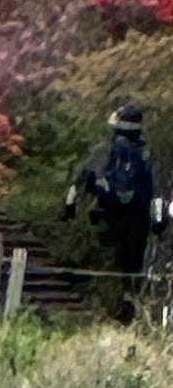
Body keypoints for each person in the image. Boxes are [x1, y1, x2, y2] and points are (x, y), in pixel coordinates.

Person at [64, 103, 167, 318]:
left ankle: (102, 311)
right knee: (132, 268)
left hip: (105, 216)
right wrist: (159, 224)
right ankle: (128, 308)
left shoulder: (103, 150)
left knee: (106, 265)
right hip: (137, 221)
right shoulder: (146, 155)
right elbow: (157, 193)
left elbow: (79, 183)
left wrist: (70, 208)